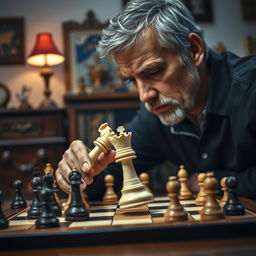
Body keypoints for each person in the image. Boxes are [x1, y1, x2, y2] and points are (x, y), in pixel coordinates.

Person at [55, 0, 256, 200]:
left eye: (153, 71)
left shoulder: (251, 89)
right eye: (132, 80)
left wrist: (209, 181)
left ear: (194, 50)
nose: (144, 96)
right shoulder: (156, 115)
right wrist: (84, 172)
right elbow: (111, 177)